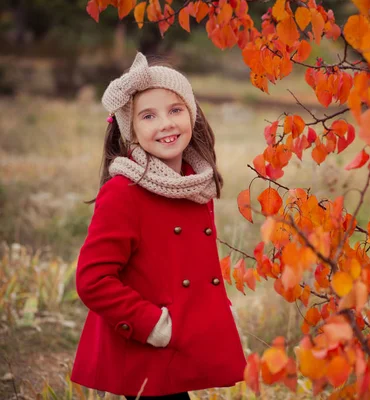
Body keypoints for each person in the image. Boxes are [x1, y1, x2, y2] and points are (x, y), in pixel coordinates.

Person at [70, 52, 247, 400]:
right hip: (144, 346)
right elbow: (92, 279)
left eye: (175, 110)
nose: (165, 123)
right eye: (148, 116)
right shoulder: (123, 192)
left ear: (192, 116)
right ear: (130, 131)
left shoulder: (195, 187)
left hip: (179, 343)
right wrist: (150, 324)